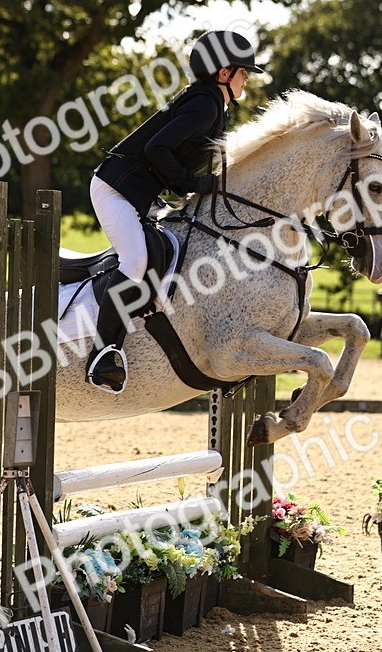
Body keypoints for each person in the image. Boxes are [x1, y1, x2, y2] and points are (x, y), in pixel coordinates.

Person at [85, 30, 264, 393]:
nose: (247, 79)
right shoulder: (205, 105)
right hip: (117, 190)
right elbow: (156, 148)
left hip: (142, 193)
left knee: (176, 246)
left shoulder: (212, 103)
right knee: (135, 261)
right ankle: (102, 355)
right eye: (244, 72)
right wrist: (192, 184)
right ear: (224, 72)